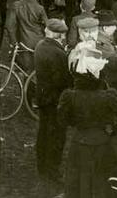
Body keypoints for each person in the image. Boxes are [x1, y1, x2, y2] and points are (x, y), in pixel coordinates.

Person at [58, 49, 117, 198]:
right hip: (102, 143)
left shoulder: (70, 96)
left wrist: (77, 123)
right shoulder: (108, 96)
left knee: (78, 184)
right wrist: (113, 130)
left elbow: (62, 120)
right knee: (103, 183)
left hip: (79, 143)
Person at [34, 18, 73, 183]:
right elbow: (62, 80)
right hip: (55, 100)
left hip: (43, 97)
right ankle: (52, 170)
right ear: (60, 35)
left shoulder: (40, 46)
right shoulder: (58, 53)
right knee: (56, 136)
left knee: (43, 131)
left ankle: (42, 165)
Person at [5, 0, 48, 70]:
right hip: (38, 42)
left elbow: (9, 26)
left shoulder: (16, 5)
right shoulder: (40, 8)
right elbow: (47, 26)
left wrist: (13, 42)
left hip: (22, 41)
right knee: (36, 70)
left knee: (23, 69)